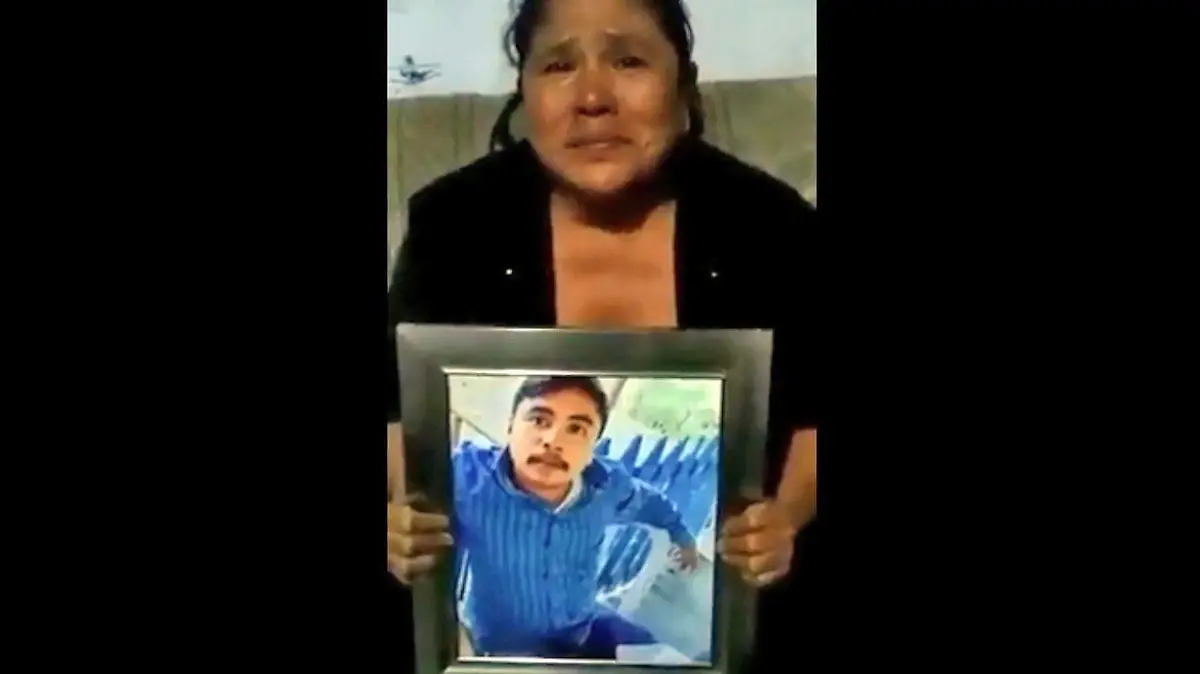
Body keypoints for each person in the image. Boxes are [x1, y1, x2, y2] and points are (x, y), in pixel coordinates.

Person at [386, 0, 818, 667]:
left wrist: (783, 520)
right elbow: (401, 413)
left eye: (629, 60)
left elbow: (812, 412)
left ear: (681, 82)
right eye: (559, 65)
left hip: (715, 602)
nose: (592, 97)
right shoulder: (452, 223)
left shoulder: (769, 223)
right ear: (525, 89)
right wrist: (401, 513)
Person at [450, 375, 700, 659]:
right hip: (505, 649)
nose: (553, 441)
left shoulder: (606, 488)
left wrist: (682, 535)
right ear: (510, 426)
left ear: (593, 446)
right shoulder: (467, 478)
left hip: (582, 629)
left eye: (576, 429)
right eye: (539, 420)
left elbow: (652, 503)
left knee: (665, 660)